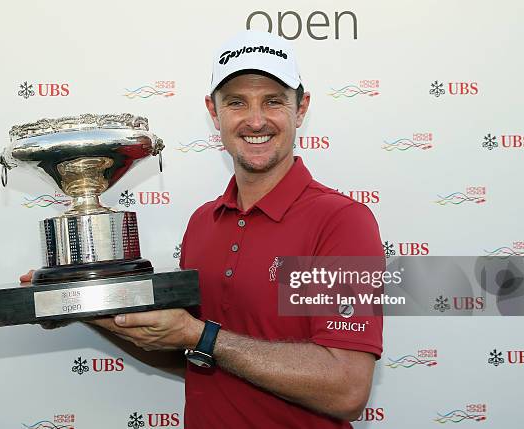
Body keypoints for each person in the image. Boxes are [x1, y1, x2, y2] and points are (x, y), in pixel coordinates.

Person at [23, 30, 383, 428]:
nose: (256, 120)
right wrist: (82, 304)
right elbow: (192, 356)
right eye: (236, 103)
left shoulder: (342, 220)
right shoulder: (203, 222)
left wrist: (201, 336)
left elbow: (347, 388)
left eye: (274, 101)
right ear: (214, 112)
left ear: (301, 109)